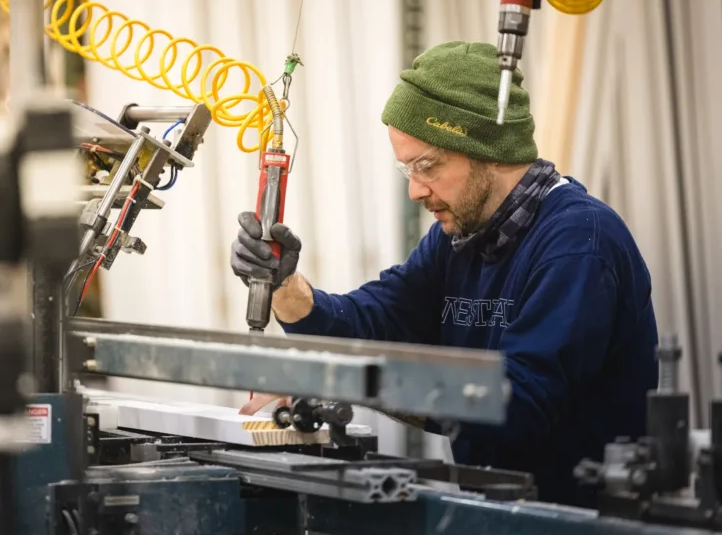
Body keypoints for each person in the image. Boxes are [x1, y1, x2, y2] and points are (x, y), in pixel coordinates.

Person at [229, 41, 659, 507]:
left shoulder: (579, 242)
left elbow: (515, 405)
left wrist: (343, 378)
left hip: (581, 520)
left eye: (427, 165)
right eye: (405, 168)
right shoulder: (462, 234)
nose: (415, 190)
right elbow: (378, 320)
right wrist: (288, 290)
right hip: (493, 513)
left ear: (490, 151)